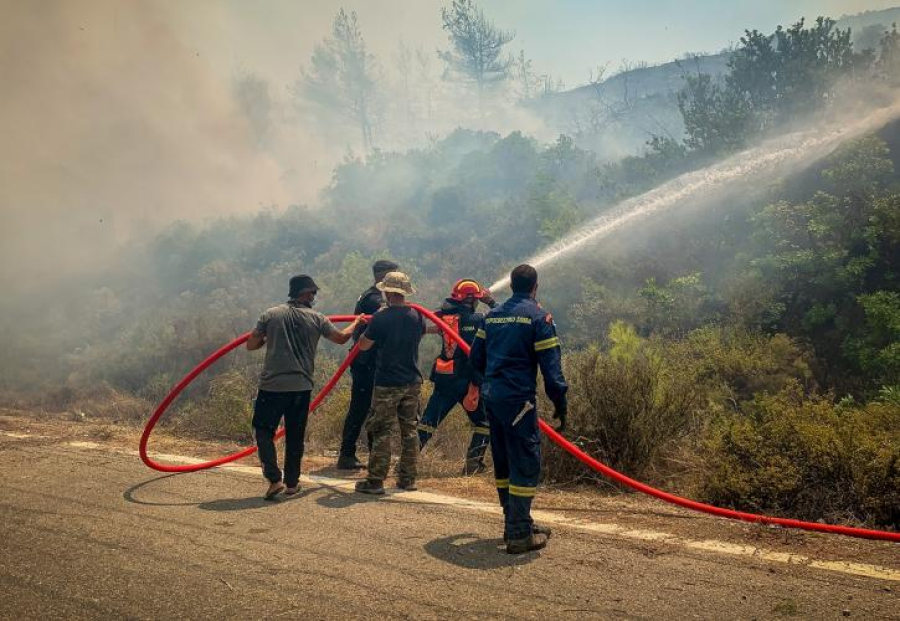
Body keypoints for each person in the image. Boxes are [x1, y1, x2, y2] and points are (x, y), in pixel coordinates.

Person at [469, 264, 568, 554]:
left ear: (511, 286)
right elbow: (551, 368)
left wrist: (489, 384)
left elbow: (475, 359)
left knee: (503, 461)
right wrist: (560, 403)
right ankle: (518, 534)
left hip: (493, 399)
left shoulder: (492, 316)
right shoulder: (538, 317)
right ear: (535, 287)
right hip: (519, 402)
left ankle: (515, 521)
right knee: (525, 461)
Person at [247, 275, 364, 499]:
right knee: (295, 435)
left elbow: (251, 344)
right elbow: (341, 338)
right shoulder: (317, 318)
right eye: (313, 293)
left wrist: (267, 338)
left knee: (263, 431)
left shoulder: (270, 314)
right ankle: (292, 484)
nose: (314, 297)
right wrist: (357, 322)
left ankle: (274, 479)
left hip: (272, 386)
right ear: (306, 293)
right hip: (300, 388)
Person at [354, 271, 426, 495]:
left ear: (387, 292)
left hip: (387, 382)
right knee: (410, 430)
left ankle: (375, 481)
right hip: (412, 381)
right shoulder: (417, 316)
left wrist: (362, 328)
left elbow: (364, 345)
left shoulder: (381, 318)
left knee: (382, 430)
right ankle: (408, 478)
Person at [418, 279, 496, 475]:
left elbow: (429, 321)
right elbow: (503, 318)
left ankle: (406, 462)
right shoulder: (478, 319)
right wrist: (490, 301)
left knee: (428, 421)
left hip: (445, 378)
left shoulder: (445, 317)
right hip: (467, 381)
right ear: (472, 300)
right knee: (484, 422)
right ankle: (473, 464)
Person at [336, 259, 399, 470]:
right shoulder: (373, 299)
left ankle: (373, 454)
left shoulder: (372, 296)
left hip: (371, 361)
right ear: (382, 275)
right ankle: (347, 454)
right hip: (366, 361)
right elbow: (388, 316)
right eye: (393, 275)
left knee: (372, 407)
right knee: (362, 407)